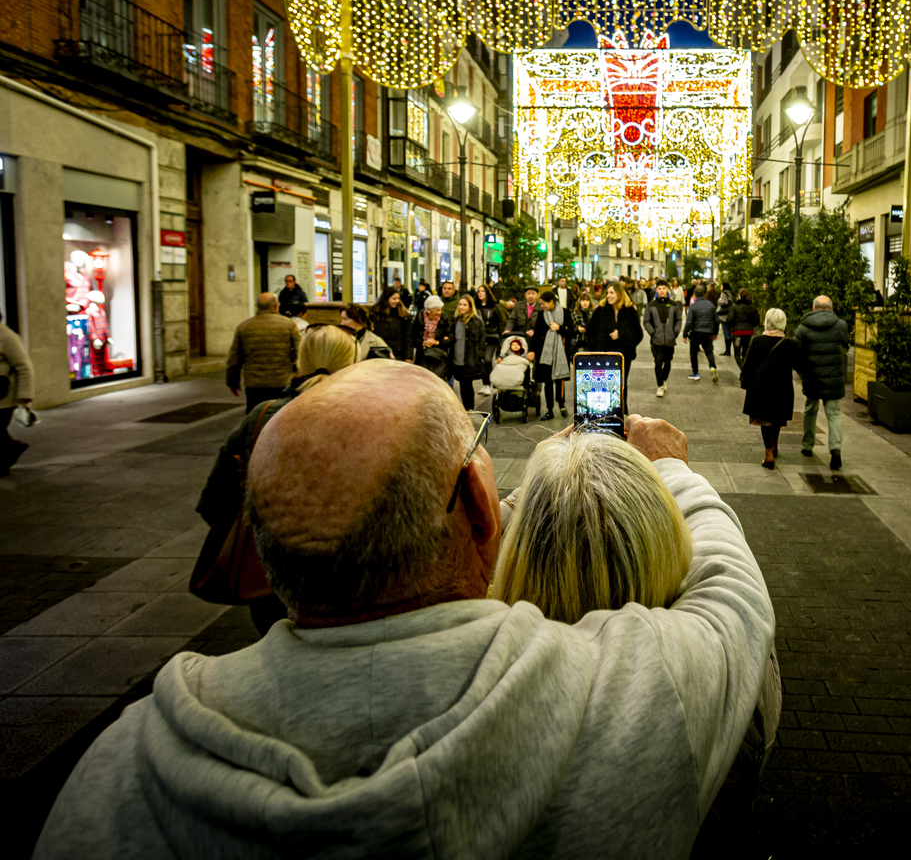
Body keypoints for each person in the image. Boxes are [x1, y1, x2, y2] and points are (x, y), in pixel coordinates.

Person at [35, 363, 774, 859]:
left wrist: (521, 493)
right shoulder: (626, 698)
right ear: (482, 507)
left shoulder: (119, 776)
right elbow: (731, 594)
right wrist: (668, 465)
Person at [492, 428, 781, 839]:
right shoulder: (711, 687)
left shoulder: (481, 685)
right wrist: (672, 469)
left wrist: (533, 490)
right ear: (667, 547)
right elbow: (732, 576)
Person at [195, 325, 359, 636]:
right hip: (353, 576)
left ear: (300, 361)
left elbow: (215, 501)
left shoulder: (263, 416)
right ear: (353, 362)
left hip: (273, 578)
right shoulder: (373, 418)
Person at [794, 295, 850, 471]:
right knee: (833, 413)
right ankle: (835, 450)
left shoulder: (803, 328)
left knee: (810, 410)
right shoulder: (841, 325)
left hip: (812, 377)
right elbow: (846, 346)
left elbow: (796, 353)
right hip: (834, 377)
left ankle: (807, 446)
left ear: (814, 308)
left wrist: (802, 373)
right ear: (831, 309)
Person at [740, 308, 799, 470]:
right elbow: (799, 365)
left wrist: (745, 382)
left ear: (767, 322)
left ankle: (768, 453)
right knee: (777, 418)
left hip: (761, 387)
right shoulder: (790, 344)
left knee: (765, 421)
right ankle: (774, 445)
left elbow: (748, 365)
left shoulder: (757, 341)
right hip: (783, 387)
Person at [225, 293, 300, 413]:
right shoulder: (289, 325)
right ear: (276, 306)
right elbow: (299, 352)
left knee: (255, 417)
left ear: (256, 306)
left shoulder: (243, 327)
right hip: (282, 381)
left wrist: (232, 382)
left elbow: (234, 358)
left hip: (254, 384)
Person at [586, 282, 643, 409]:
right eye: (607, 293)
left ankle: (621, 411)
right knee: (604, 385)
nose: (608, 296)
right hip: (603, 355)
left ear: (619, 294)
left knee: (621, 384)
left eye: (611, 293)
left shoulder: (630, 311)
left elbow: (638, 334)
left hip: (623, 355)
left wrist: (621, 335)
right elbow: (590, 332)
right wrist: (595, 350)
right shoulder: (601, 311)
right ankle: (604, 412)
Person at [0, 308, 35, 476]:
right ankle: (11, 450)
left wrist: (24, 396)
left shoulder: (7, 336)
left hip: (4, 396)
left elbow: (24, 367)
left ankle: (9, 454)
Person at [530, 290, 572, 420]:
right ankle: (549, 409)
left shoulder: (565, 313)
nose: (542, 306)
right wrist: (532, 350)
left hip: (561, 352)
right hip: (545, 353)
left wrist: (559, 328)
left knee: (560, 381)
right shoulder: (542, 315)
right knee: (547, 382)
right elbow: (537, 334)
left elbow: (572, 332)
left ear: (552, 302)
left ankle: (561, 404)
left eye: (544, 304)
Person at [645, 279, 683, 398]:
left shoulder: (674, 305)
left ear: (668, 289)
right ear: (656, 290)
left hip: (670, 340)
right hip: (657, 340)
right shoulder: (651, 305)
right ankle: (660, 385)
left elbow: (679, 320)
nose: (662, 291)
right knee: (657, 362)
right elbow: (646, 321)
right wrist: (652, 332)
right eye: (659, 288)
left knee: (668, 362)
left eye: (664, 288)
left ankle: (664, 379)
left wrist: (675, 332)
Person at [449, 296, 486, 411]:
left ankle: (469, 408)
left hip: (470, 358)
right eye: (460, 304)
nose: (462, 307)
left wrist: (479, 356)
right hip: (457, 357)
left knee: (467, 384)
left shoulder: (476, 321)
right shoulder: (455, 320)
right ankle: (466, 408)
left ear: (470, 306)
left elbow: (482, 339)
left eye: (465, 305)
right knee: (462, 384)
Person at [683, 283, 720, 384]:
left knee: (694, 352)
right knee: (709, 351)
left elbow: (689, 322)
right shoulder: (711, 305)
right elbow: (717, 320)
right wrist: (715, 332)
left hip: (696, 333)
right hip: (708, 333)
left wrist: (685, 334)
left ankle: (696, 373)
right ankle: (712, 367)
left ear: (694, 295)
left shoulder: (693, 306)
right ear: (704, 294)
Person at [371, 286, 414, 362]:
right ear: (386, 299)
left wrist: (408, 357)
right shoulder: (375, 313)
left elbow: (408, 338)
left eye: (398, 298)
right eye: (394, 299)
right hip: (379, 352)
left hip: (398, 353)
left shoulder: (403, 315)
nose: (397, 301)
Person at [475, 284, 503, 395]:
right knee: (481, 361)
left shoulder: (494, 307)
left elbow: (500, 323)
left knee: (487, 360)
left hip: (491, 337)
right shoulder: (476, 307)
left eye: (483, 291)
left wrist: (501, 337)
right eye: (479, 291)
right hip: (479, 338)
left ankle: (488, 384)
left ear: (487, 293)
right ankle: (484, 383)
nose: (480, 293)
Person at [413, 294, 449, 376]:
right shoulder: (419, 318)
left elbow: (450, 338)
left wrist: (437, 342)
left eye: (440, 310)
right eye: (436, 310)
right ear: (428, 310)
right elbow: (413, 337)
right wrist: (422, 342)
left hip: (438, 357)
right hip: (422, 356)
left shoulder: (444, 319)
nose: (439, 313)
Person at [727, 289, 760, 369]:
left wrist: (733, 326)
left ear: (739, 296)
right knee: (745, 353)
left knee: (737, 354)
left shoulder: (735, 306)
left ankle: (744, 371)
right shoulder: (752, 307)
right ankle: (746, 370)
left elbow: (730, 319)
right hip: (749, 332)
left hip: (737, 332)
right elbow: (757, 320)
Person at [716, 282, 734, 355]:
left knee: (726, 332)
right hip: (731, 315)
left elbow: (724, 302)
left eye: (721, 286)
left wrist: (719, 301)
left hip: (724, 315)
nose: (721, 287)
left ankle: (727, 350)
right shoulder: (732, 293)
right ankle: (729, 348)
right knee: (730, 332)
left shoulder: (724, 294)